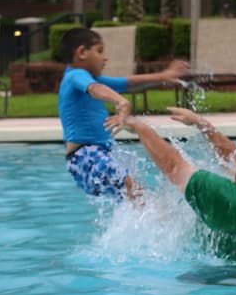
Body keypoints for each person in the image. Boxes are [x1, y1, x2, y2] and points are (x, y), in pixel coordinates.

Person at [120, 107, 236, 261]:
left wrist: (138, 126)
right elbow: (230, 156)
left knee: (160, 214)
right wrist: (201, 124)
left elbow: (174, 166)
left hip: (231, 278)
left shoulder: (233, 199)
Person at [60, 27, 188, 200]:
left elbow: (128, 83)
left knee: (135, 200)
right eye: (100, 51)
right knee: (138, 195)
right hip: (87, 155)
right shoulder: (76, 75)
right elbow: (95, 89)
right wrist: (121, 101)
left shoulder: (89, 77)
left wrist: (164, 76)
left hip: (90, 157)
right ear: (82, 52)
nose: (105, 58)